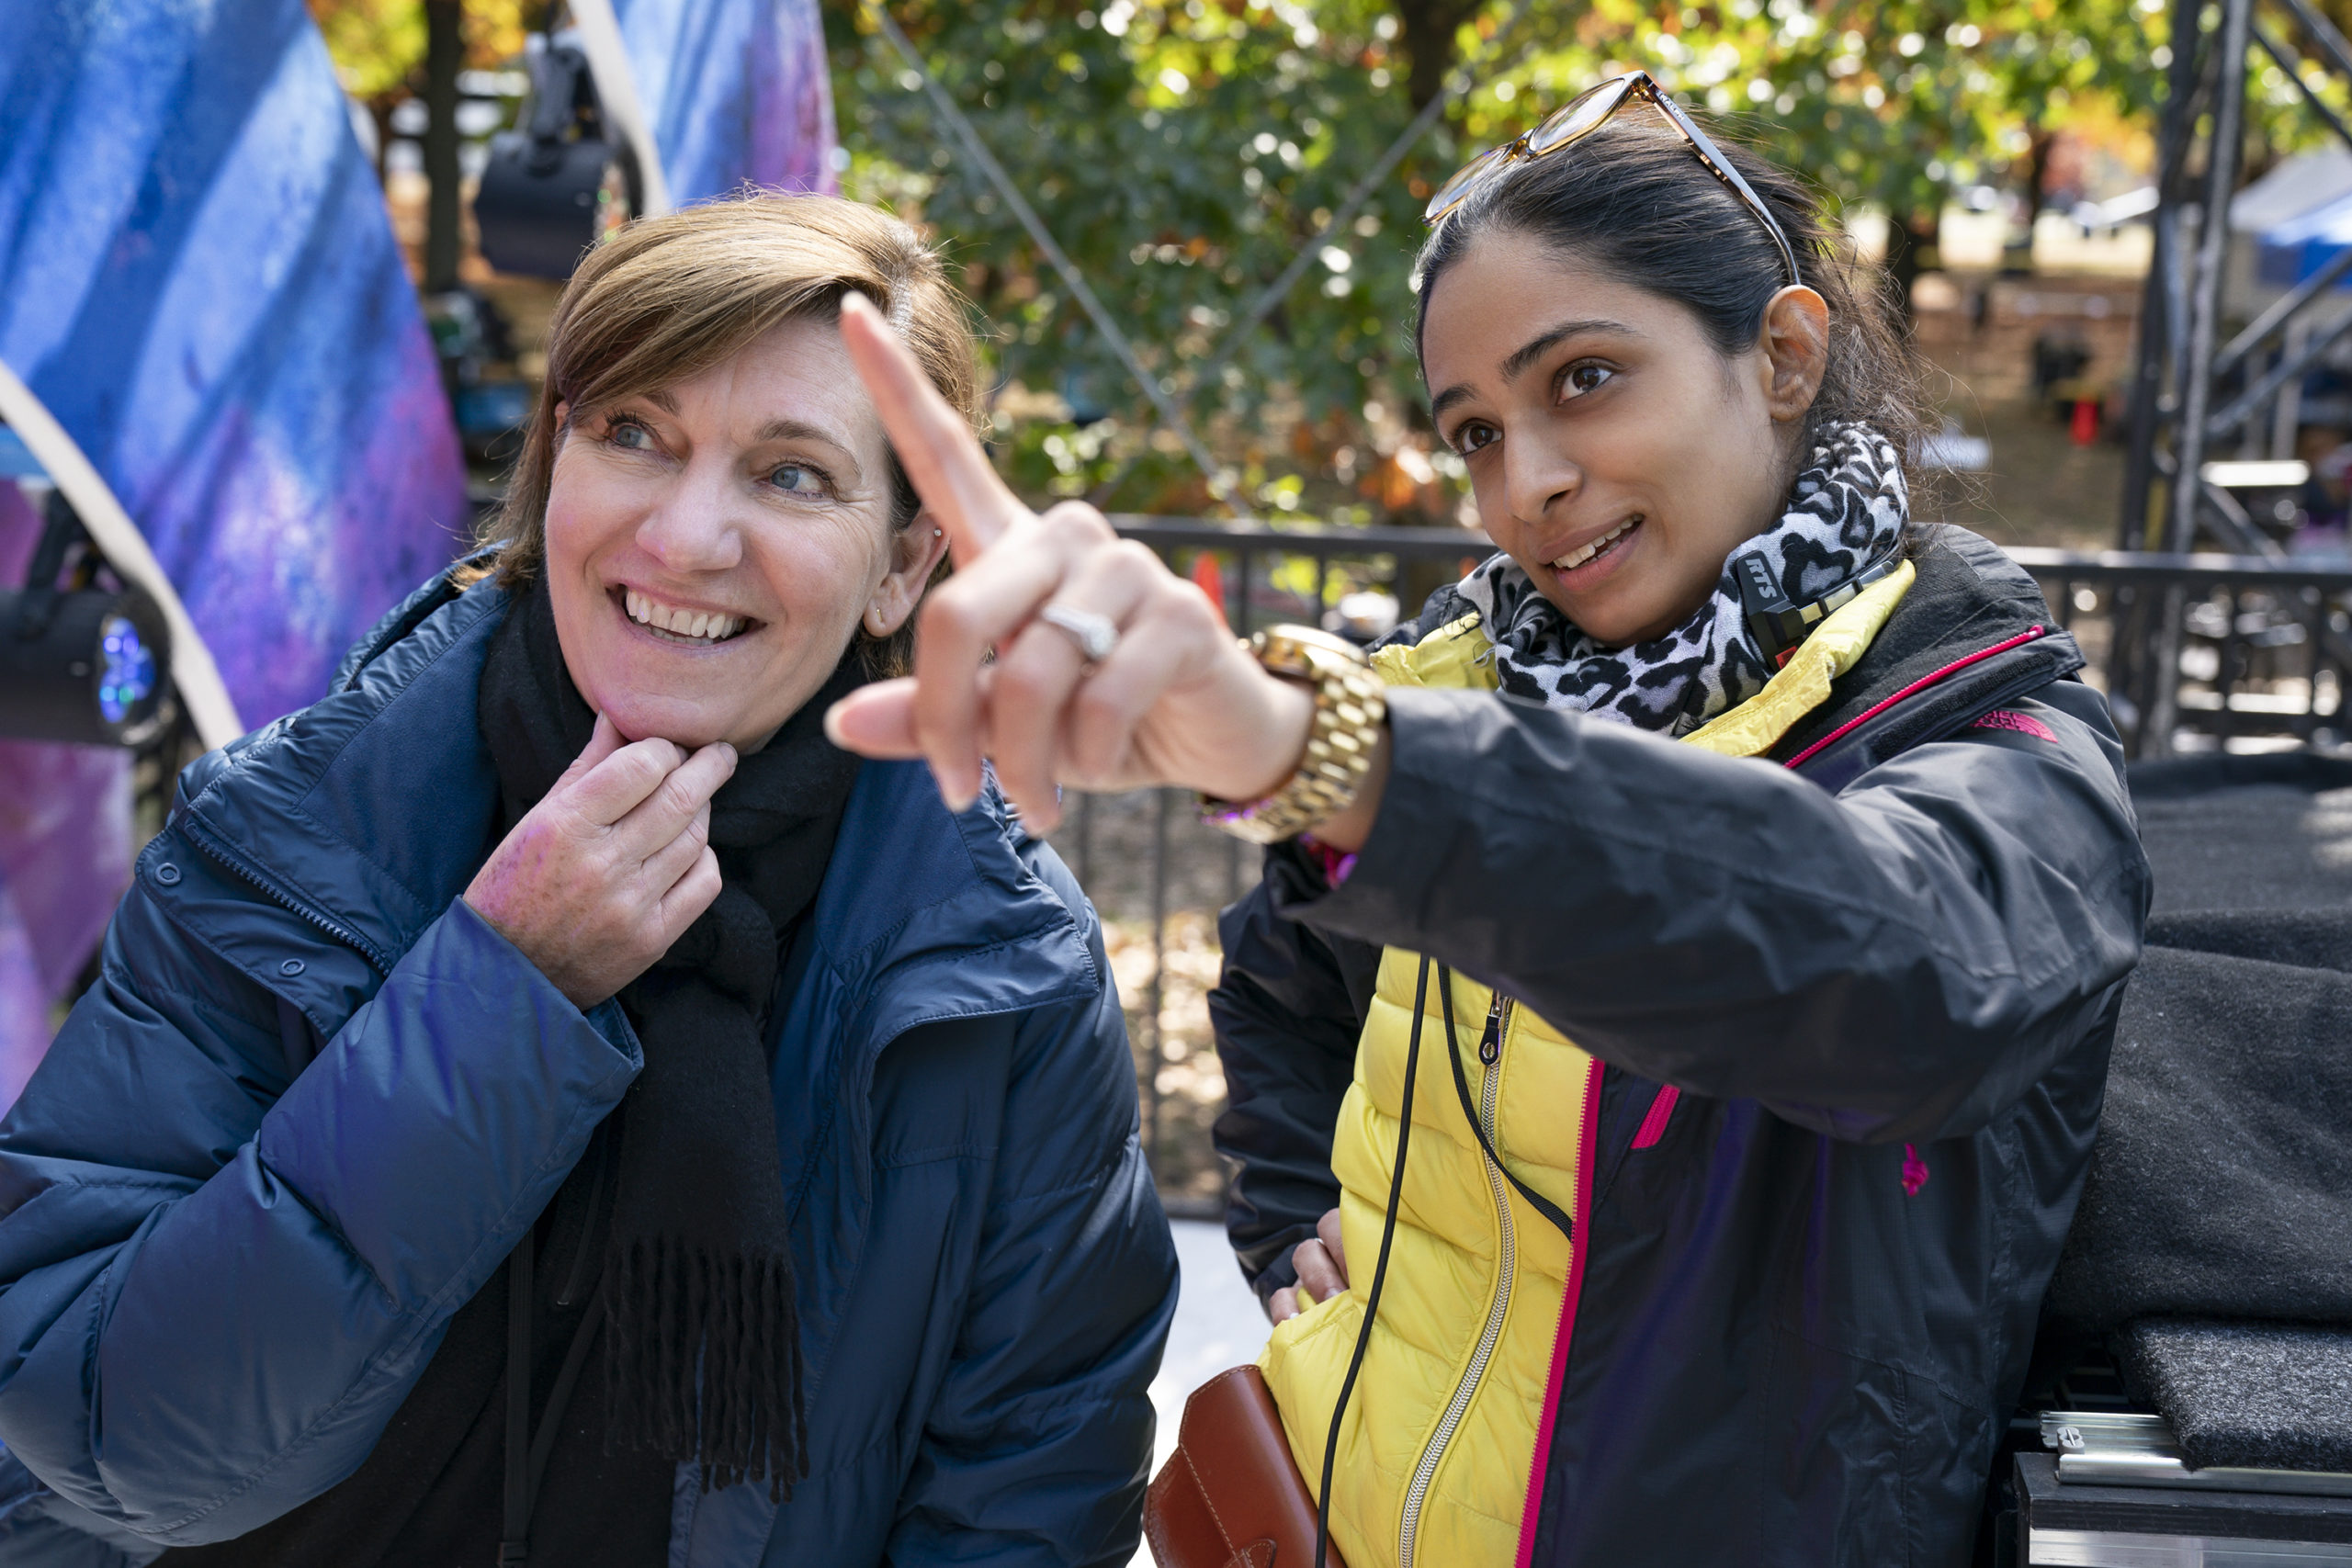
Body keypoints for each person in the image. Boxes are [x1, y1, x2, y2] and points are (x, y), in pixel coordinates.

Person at [819, 76, 2149, 1568]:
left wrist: (1339, 762)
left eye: (1582, 379)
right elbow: (1281, 989)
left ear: (1782, 353)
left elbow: (1899, 978)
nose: (1530, 483)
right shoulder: (1448, 678)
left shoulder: (1994, 726)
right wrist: (1291, 1226)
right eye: (1473, 432)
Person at [0, 196, 1175, 1568]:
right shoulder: (285, 840)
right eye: (634, 434)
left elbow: (1026, 1506)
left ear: (902, 567)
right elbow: (107, 1444)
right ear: (557, 464)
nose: (685, 538)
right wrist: (502, 988)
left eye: (791, 474)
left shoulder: (1000, 971)